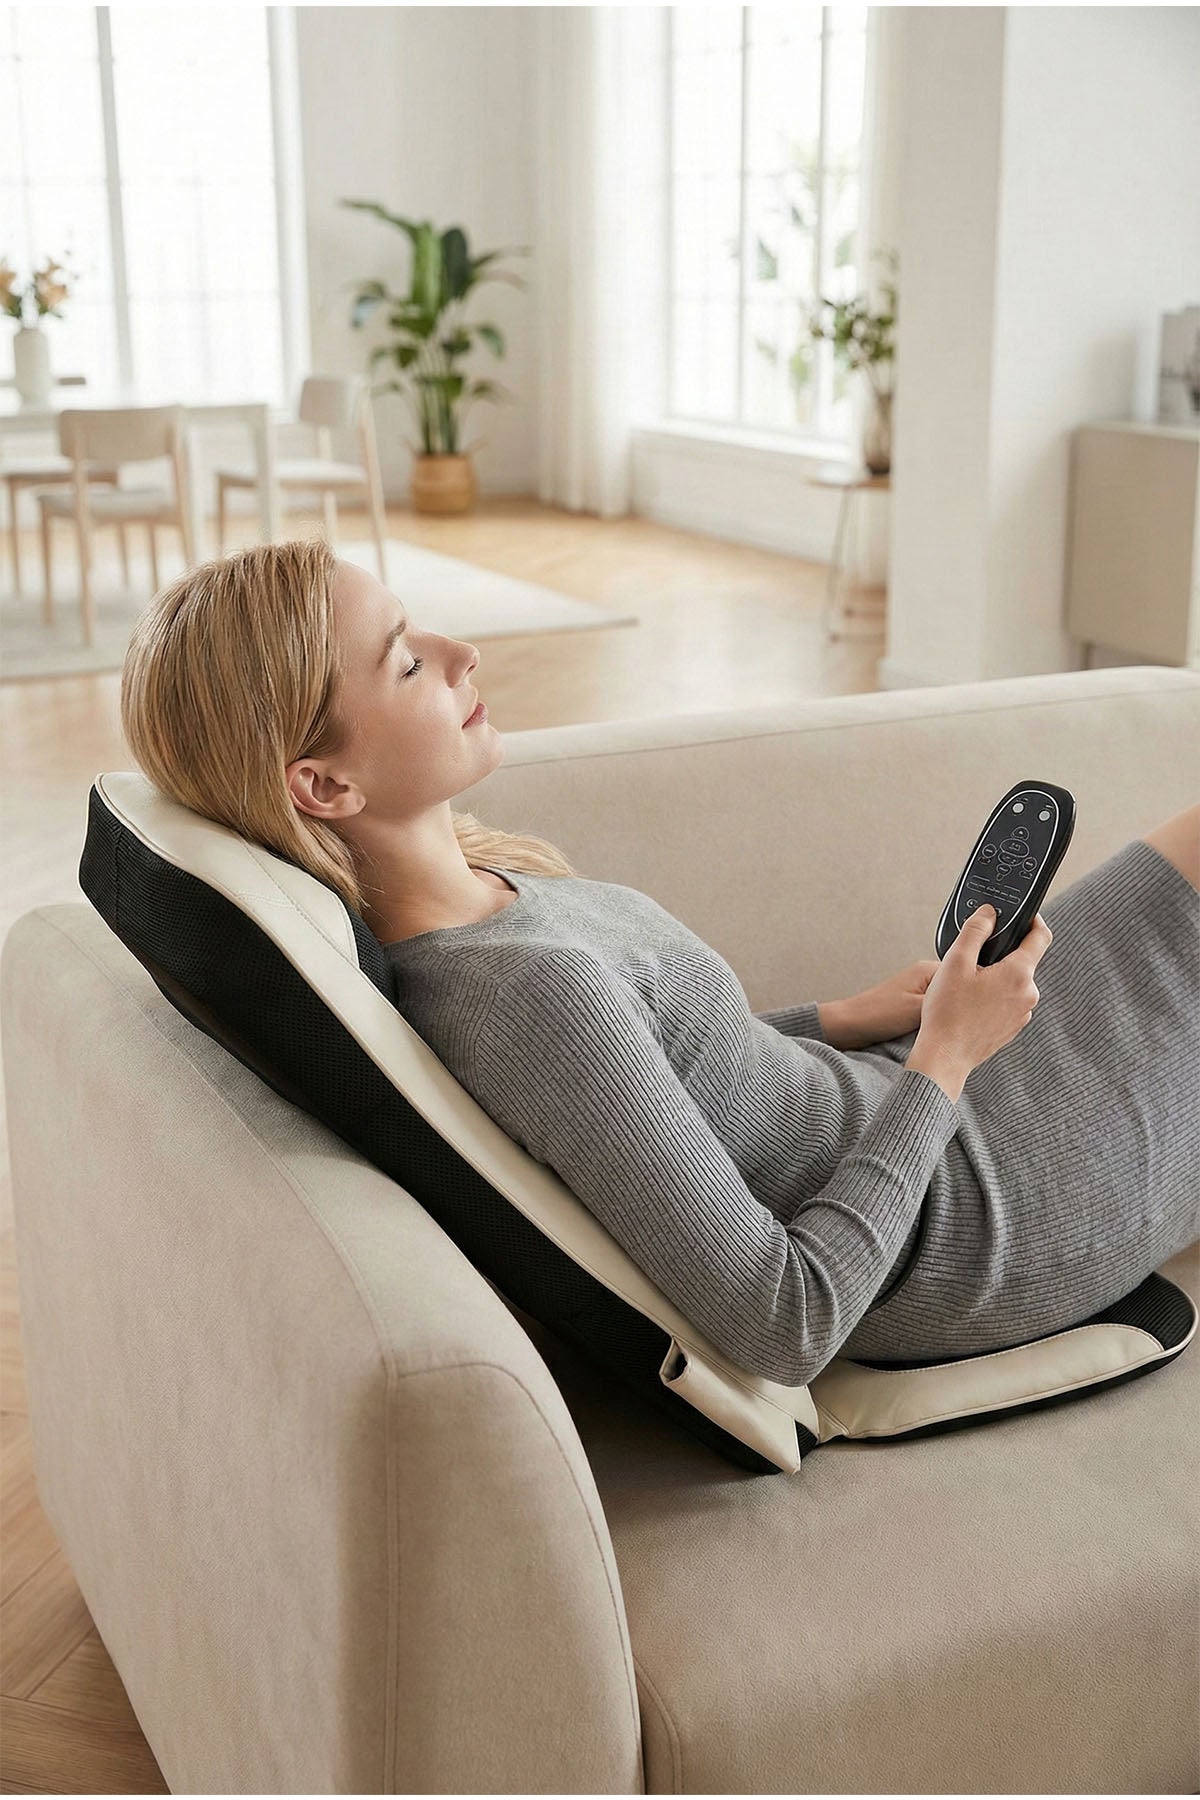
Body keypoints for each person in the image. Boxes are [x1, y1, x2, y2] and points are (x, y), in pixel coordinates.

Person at [120, 538, 1200, 1387]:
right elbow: (787, 1320)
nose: (462, 655)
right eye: (407, 661)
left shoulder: (486, 903)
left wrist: (842, 1018)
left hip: (899, 1106)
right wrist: (948, 1058)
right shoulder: (526, 997)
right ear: (324, 787)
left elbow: (670, 1084)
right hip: (970, 1220)